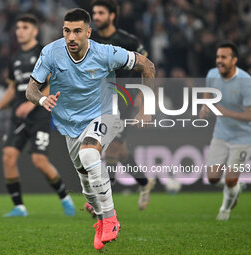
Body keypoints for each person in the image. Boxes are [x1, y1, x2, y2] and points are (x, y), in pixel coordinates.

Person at [26, 8, 155, 250]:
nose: (71, 37)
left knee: (89, 153)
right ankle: (99, 217)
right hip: (70, 124)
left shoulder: (107, 53)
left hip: (105, 114)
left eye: (77, 31)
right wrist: (42, 100)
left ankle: (110, 219)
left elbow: (147, 66)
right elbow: (31, 88)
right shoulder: (51, 52)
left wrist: (146, 107)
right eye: (66, 31)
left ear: (88, 32)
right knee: (85, 180)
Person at [0, 14, 75, 217]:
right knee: (8, 157)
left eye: (24, 27)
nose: (20, 31)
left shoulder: (45, 52)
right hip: (18, 114)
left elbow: (54, 82)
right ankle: (19, 207)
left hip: (40, 113)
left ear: (34, 30)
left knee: (39, 161)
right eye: (17, 27)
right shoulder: (14, 58)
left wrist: (31, 102)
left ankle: (65, 198)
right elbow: (11, 89)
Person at [89, 0, 155, 212]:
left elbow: (148, 70)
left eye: (101, 12)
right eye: (94, 13)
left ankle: (101, 199)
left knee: (111, 149)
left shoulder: (129, 41)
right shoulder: (90, 39)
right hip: (97, 99)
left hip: (123, 99)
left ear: (112, 15)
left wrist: (145, 106)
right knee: (118, 151)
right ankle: (145, 183)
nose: (96, 16)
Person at [199, 41, 250, 221]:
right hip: (221, 134)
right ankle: (237, 188)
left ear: (234, 60)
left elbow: (249, 115)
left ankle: (225, 210)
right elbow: (208, 93)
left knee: (229, 180)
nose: (219, 61)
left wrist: (224, 112)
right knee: (212, 177)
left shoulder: (245, 82)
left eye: (224, 57)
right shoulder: (212, 74)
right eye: (218, 57)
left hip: (243, 137)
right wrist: (205, 107)